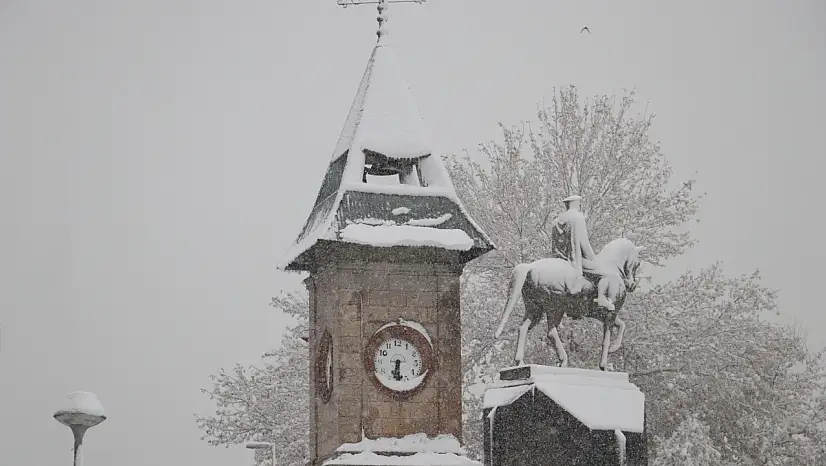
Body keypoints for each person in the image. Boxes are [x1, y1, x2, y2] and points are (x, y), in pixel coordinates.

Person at [551, 195, 618, 310]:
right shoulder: (578, 217)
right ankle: (601, 298)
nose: (580, 205)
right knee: (608, 273)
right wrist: (593, 259)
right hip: (574, 260)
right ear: (575, 204)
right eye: (579, 203)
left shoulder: (556, 220)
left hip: (558, 259)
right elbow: (584, 244)